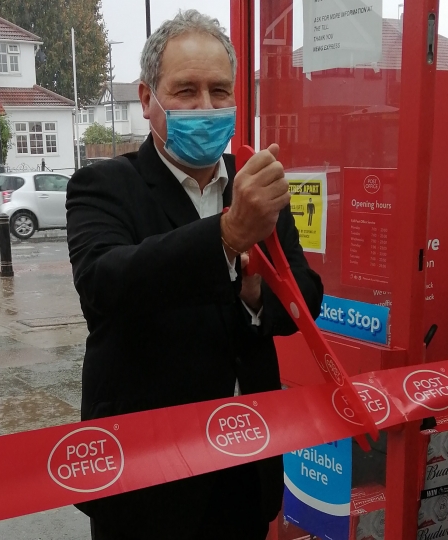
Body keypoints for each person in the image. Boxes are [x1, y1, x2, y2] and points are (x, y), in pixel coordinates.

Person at [66, 10, 323, 540]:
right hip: (147, 479)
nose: (205, 107)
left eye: (219, 91)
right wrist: (226, 237)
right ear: (146, 99)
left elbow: (307, 296)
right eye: (185, 90)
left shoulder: (252, 183)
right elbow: (104, 284)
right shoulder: (104, 184)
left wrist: (256, 293)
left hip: (246, 465)